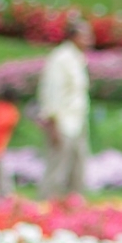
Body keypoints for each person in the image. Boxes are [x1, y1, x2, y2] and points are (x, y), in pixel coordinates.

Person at [36, 18, 92, 199]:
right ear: (73, 37)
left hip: (78, 121)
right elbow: (51, 92)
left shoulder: (78, 59)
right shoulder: (60, 58)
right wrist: (52, 123)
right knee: (57, 169)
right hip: (61, 122)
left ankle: (72, 212)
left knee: (77, 169)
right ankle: (46, 208)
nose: (90, 39)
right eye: (85, 35)